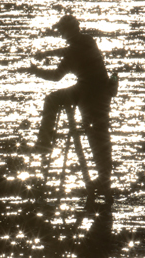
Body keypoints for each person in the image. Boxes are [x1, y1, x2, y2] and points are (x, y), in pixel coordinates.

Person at [28, 14, 116, 200]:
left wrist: (35, 71)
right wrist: (47, 54)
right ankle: (103, 181)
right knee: (100, 136)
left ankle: (44, 144)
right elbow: (67, 51)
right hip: (95, 89)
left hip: (90, 95)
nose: (60, 34)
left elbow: (56, 76)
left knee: (94, 136)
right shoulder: (87, 41)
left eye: (61, 31)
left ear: (66, 32)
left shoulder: (73, 51)